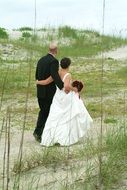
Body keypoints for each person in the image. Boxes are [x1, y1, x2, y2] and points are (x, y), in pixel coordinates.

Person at [36, 57, 93, 146]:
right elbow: (66, 86)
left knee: (55, 116)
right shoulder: (68, 74)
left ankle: (51, 138)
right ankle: (64, 138)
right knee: (67, 116)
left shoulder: (57, 72)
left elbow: (47, 81)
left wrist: (38, 82)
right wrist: (74, 89)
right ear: (69, 65)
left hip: (57, 97)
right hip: (65, 97)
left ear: (60, 64)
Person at [33, 42, 69, 142]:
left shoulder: (40, 60)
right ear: (56, 50)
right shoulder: (54, 61)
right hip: (48, 92)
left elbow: (36, 75)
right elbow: (54, 75)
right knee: (46, 112)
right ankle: (38, 133)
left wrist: (40, 82)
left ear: (49, 50)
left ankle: (41, 132)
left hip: (40, 91)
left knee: (43, 111)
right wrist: (62, 87)